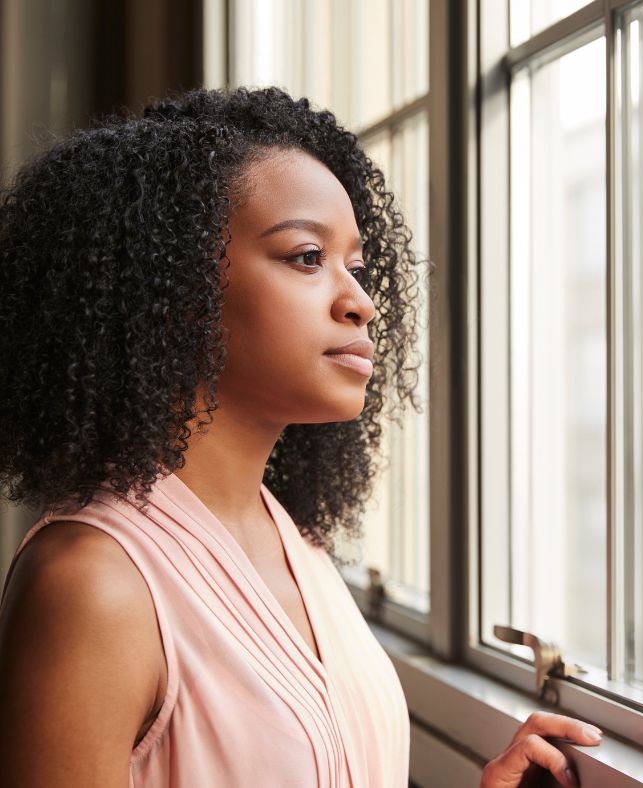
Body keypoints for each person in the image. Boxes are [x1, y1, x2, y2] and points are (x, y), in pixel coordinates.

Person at [0, 87, 602, 787]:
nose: (362, 302)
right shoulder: (90, 585)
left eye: (359, 268)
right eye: (308, 256)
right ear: (173, 287)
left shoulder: (294, 542)